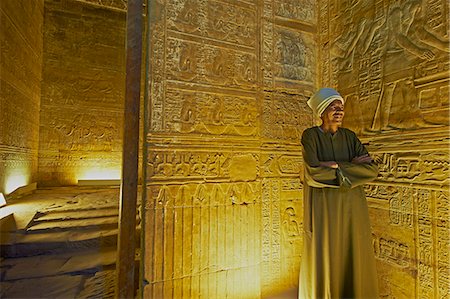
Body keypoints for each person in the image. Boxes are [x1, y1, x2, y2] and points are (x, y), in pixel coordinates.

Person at [298, 88, 379, 298]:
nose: (339, 111)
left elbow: (371, 170)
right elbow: (313, 173)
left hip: (353, 207)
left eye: (341, 107)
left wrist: (334, 166)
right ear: (322, 111)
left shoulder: (350, 137)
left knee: (353, 251)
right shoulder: (310, 136)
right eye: (333, 107)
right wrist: (350, 167)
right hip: (323, 206)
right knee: (326, 252)